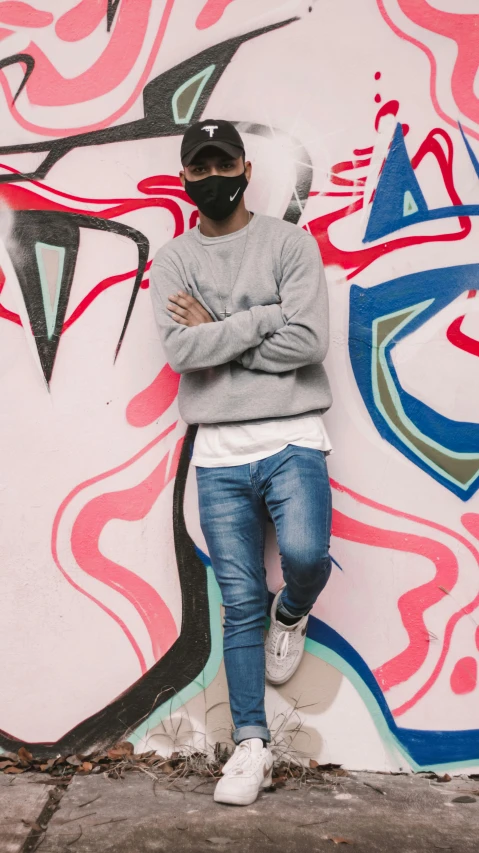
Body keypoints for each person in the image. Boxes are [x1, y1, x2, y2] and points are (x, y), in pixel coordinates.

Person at [150, 119, 333, 806]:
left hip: (293, 438)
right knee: (237, 604)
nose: (212, 176)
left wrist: (224, 327)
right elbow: (182, 353)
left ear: (245, 169)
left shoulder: (288, 243)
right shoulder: (172, 261)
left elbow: (308, 339)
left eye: (222, 163)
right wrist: (263, 318)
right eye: (199, 168)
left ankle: (294, 611)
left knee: (307, 555)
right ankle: (250, 743)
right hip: (218, 456)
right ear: (186, 178)